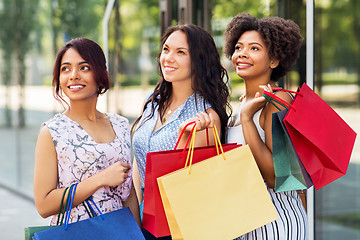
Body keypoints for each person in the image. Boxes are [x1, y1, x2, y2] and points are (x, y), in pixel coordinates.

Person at [131, 24, 231, 239]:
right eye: (166, 49)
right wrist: (134, 213)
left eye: (180, 52)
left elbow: (192, 182)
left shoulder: (205, 117)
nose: (168, 58)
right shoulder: (154, 101)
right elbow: (139, 159)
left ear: (199, 60)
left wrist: (187, 137)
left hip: (180, 223)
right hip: (144, 215)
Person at [34, 38, 141, 227]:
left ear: (101, 73)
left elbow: (128, 193)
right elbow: (43, 204)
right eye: (65, 69)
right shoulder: (52, 131)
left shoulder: (120, 124)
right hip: (77, 232)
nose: (73, 75)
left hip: (118, 232)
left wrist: (137, 234)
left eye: (84, 68)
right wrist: (100, 179)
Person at [223, 13, 308, 239]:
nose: (242, 53)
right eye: (239, 47)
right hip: (243, 222)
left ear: (274, 60)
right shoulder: (238, 106)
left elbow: (274, 176)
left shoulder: (278, 101)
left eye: (254, 48)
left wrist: (249, 120)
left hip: (275, 222)